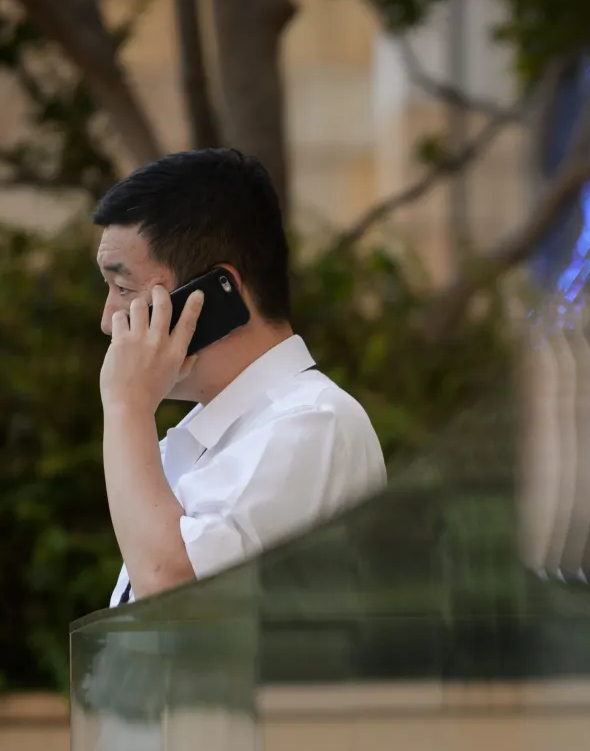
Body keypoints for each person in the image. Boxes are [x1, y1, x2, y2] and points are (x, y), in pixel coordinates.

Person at [92, 148, 385, 606]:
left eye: (125, 289)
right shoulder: (191, 443)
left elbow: (172, 592)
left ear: (211, 295)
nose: (110, 320)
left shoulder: (314, 423)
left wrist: (127, 406)